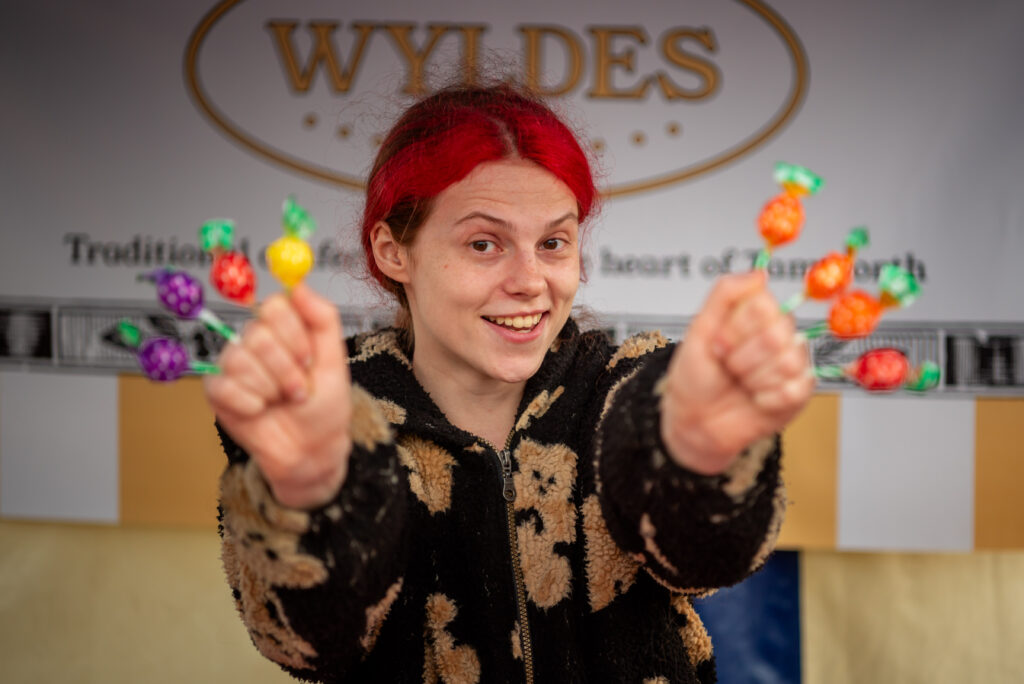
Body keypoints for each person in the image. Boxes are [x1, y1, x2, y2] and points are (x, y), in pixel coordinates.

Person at [204, 82, 814, 683]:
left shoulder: (625, 392)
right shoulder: (325, 413)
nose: (530, 280)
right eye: (484, 243)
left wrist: (701, 458)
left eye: (553, 242)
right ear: (393, 252)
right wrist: (308, 497)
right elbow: (306, 647)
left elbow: (703, 561)